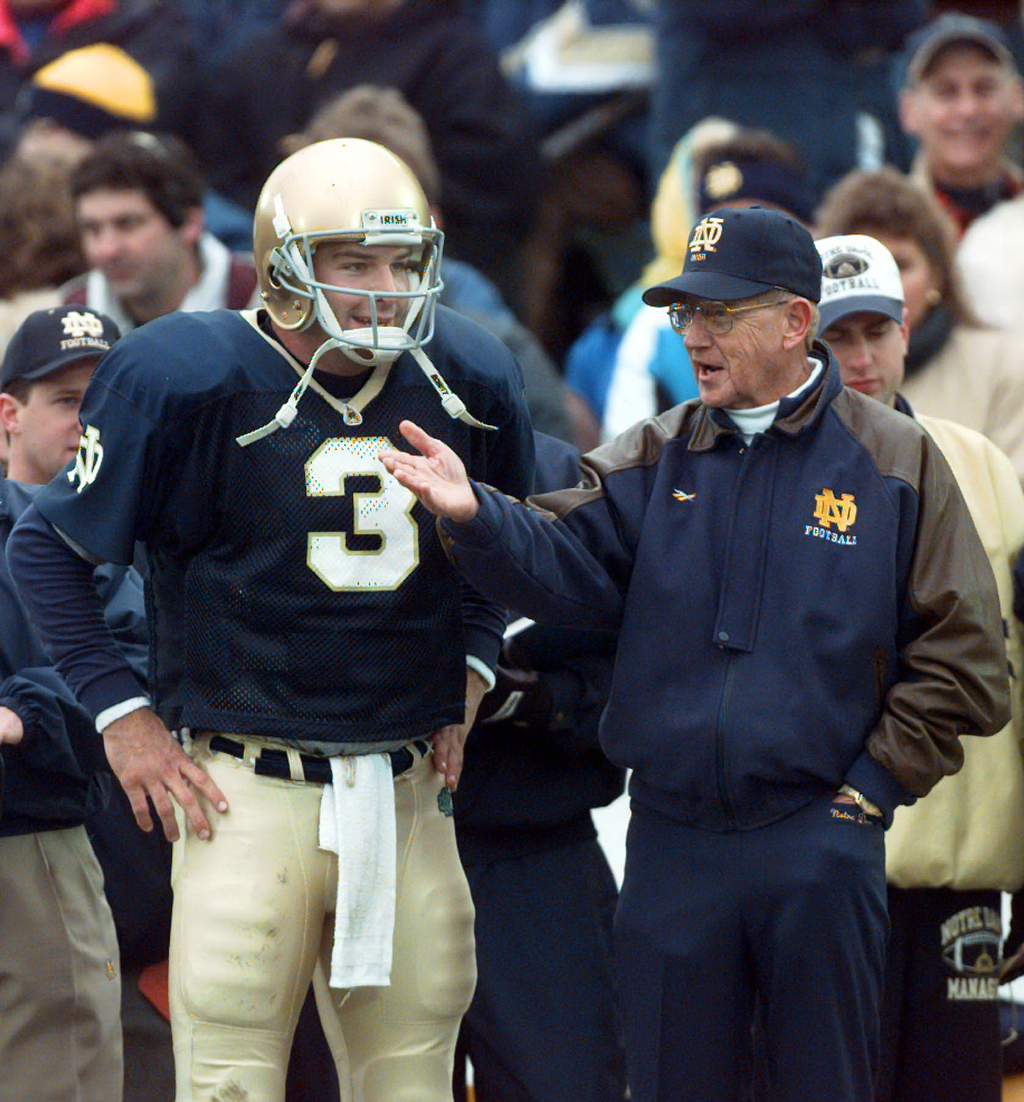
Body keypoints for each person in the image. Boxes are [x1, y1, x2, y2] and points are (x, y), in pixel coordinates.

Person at [379, 204, 1011, 1102]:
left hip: (818, 842)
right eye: (684, 314)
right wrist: (478, 516)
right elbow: (564, 565)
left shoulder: (895, 460)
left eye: (719, 313)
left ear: (796, 322)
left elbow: (969, 657)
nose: (694, 336)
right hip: (674, 845)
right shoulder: (654, 454)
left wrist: (871, 790)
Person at [8, 137, 534, 1102]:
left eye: (402, 262)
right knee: (230, 1079)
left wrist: (473, 657)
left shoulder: (469, 371)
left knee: (412, 1077)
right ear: (290, 266)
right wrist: (120, 716)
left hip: (409, 787)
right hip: (243, 787)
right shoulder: (182, 375)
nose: (387, 288)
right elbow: (44, 548)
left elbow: (507, 547)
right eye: (356, 263)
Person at [817, 232, 1024, 1102]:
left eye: (876, 331)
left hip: (958, 873)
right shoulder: (751, 471)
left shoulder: (983, 464)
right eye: (836, 337)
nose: (860, 358)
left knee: (960, 1085)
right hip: (821, 868)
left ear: (909, 330)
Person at [452, 429, 627, 1102]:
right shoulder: (333, 450)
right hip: (383, 837)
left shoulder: (556, 472)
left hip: (536, 849)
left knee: (563, 1084)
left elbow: (637, 685)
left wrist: (537, 701)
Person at [198, 0, 541, 290]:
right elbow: (220, 181)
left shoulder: (457, 58)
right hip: (273, 275)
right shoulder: (258, 60)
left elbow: (489, 200)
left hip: (414, 282)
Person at [0, 304, 125, 1102]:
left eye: (106, 398)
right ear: (8, 414)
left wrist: (21, 713)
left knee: (58, 1073)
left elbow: (138, 670)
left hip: (37, 831)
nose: (88, 421)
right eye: (68, 398)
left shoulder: (130, 530)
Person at [815, 166, 1024, 484]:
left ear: (937, 273)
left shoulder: (1004, 364)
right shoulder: (800, 389)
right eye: (863, 267)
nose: (880, 282)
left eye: (899, 264)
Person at [61, 130, 259, 332]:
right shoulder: (66, 320)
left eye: (127, 224)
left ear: (190, 222)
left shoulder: (266, 304)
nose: (108, 250)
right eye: (92, 229)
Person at [901, 13, 1024, 237]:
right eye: (946, 92)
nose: (968, 109)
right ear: (908, 111)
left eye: (984, 88)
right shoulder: (886, 227)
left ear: (1018, 98)